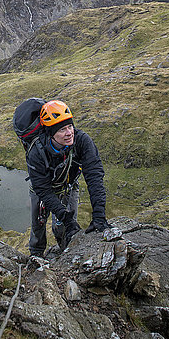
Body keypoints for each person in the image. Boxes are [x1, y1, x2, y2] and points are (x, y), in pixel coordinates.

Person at [26, 99, 109, 257]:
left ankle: (66, 253)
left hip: (68, 187)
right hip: (42, 191)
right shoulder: (36, 151)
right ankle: (36, 256)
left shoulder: (82, 141)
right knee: (38, 225)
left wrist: (99, 215)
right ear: (51, 133)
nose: (69, 132)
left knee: (65, 229)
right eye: (62, 129)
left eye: (70, 126)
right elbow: (42, 189)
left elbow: (94, 177)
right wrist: (64, 215)